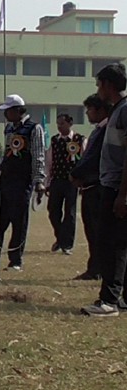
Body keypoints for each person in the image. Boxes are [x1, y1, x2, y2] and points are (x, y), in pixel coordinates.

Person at [0, 94, 46, 272]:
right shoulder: (9, 129)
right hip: (5, 181)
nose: (5, 114)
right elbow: (8, 151)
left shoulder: (34, 129)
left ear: (17, 110)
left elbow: (38, 156)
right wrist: (1, 163)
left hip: (22, 182)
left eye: (7, 111)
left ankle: (15, 261)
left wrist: (39, 181)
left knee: (18, 222)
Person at [81, 63, 127, 317]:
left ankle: (108, 301)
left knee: (112, 245)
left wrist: (122, 194)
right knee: (116, 243)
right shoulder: (116, 111)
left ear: (108, 85)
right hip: (111, 184)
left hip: (117, 187)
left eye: (99, 85)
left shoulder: (124, 111)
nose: (97, 90)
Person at [70, 94, 110, 280]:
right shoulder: (97, 131)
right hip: (88, 186)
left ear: (100, 110)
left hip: (97, 186)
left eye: (89, 109)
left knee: (98, 231)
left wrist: (76, 173)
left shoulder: (106, 131)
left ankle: (99, 268)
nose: (87, 113)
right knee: (91, 230)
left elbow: (93, 159)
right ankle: (95, 267)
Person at [46, 113, 86, 255]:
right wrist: (47, 182)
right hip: (57, 180)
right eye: (57, 124)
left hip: (72, 182)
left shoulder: (79, 140)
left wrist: (82, 181)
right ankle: (61, 237)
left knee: (70, 212)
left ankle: (67, 244)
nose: (59, 126)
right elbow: (49, 162)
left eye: (62, 123)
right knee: (53, 211)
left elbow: (84, 160)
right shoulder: (55, 140)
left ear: (70, 123)